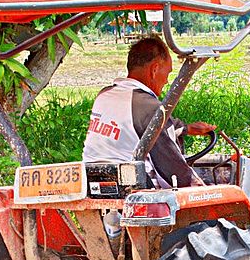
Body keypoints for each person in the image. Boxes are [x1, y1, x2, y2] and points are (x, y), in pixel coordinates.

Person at [82, 37, 216, 188]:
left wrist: (184, 128)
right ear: (154, 70)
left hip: (93, 181)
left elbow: (134, 124)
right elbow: (173, 173)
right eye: (168, 73)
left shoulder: (105, 95)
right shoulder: (149, 108)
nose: (166, 81)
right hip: (132, 187)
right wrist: (203, 186)